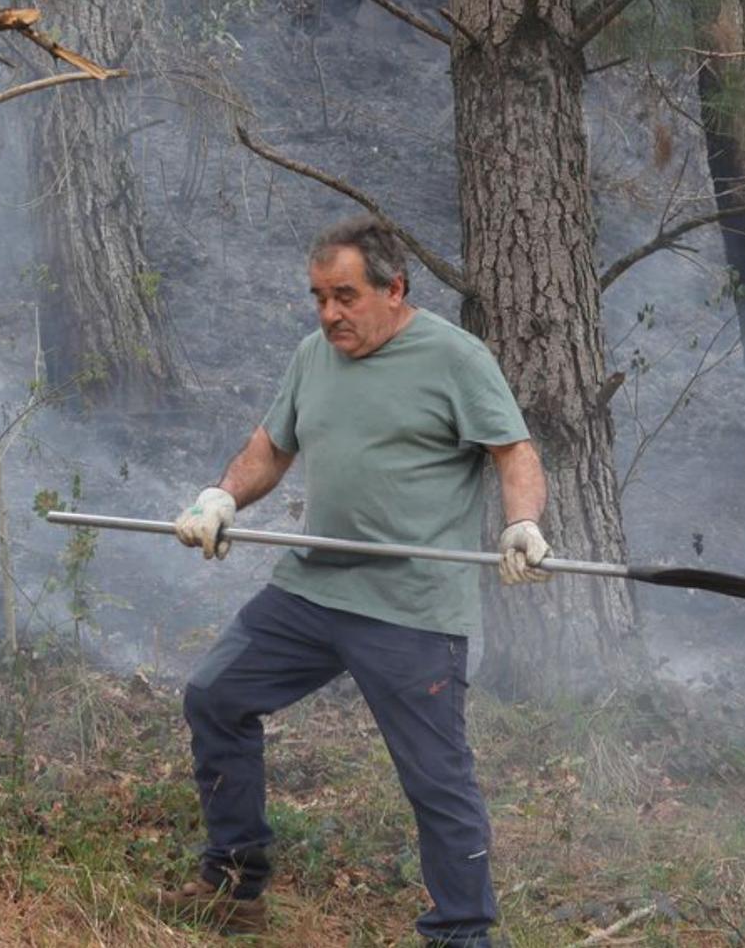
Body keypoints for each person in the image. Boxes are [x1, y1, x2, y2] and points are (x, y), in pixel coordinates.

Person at [161, 215, 551, 946]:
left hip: (411, 607)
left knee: (436, 778)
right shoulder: (315, 354)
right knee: (216, 695)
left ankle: (462, 933)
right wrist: (219, 496)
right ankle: (235, 883)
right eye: (318, 296)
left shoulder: (456, 358)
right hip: (312, 588)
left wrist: (521, 523)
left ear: (394, 288)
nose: (329, 313)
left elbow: (514, 452)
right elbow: (271, 446)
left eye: (345, 296)